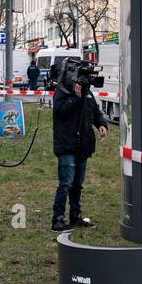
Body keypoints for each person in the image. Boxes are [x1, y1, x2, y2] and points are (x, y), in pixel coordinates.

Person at [51, 72, 108, 232]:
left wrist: (101, 124)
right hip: (66, 145)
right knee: (66, 183)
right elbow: (60, 111)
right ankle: (58, 220)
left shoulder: (88, 93)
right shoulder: (62, 91)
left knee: (77, 184)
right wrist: (76, 97)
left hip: (83, 145)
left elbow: (95, 111)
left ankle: (75, 217)